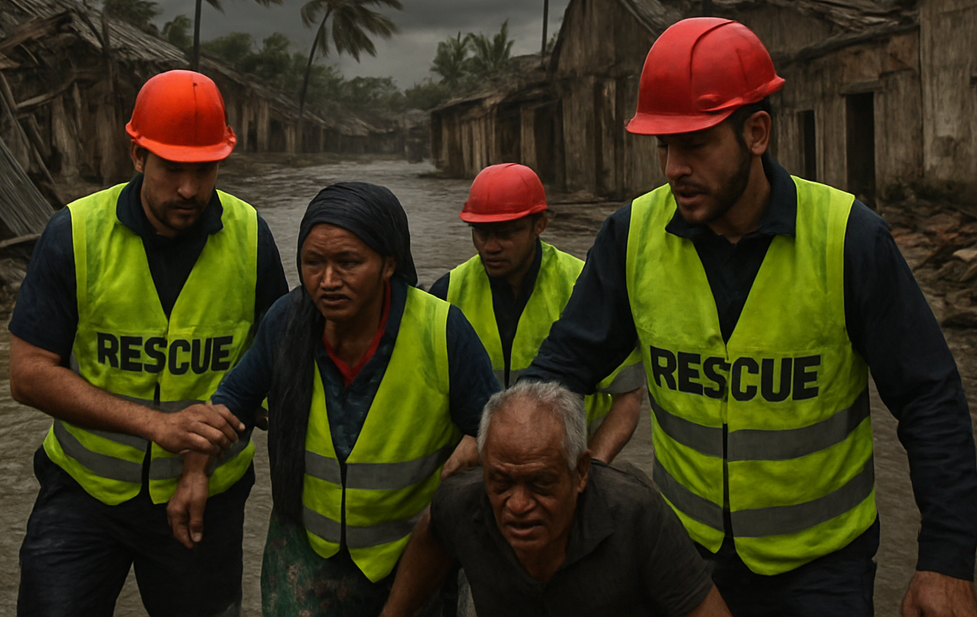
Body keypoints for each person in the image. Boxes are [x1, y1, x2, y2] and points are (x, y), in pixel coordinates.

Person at [527, 18, 977, 617]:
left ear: (757, 133)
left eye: (694, 144)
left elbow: (928, 397)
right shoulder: (630, 236)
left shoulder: (848, 238)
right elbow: (566, 365)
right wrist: (511, 458)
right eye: (663, 146)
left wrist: (945, 561)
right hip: (681, 557)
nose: (672, 168)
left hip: (822, 567)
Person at [7, 69, 288, 617]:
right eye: (171, 168)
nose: (188, 189)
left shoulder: (251, 239)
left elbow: (272, 366)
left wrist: (197, 465)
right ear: (137, 155)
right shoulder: (75, 232)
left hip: (207, 496)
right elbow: (28, 373)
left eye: (204, 169)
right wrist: (157, 425)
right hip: (83, 494)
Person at [193, 182, 500, 617]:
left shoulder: (442, 331)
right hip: (305, 553)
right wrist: (195, 471)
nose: (328, 281)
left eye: (348, 263)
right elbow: (231, 402)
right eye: (312, 263)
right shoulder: (286, 321)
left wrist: (477, 441)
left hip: (412, 552)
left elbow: (497, 428)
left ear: (389, 263)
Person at [378, 381, 731, 617]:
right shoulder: (463, 503)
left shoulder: (634, 514)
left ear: (580, 473)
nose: (517, 505)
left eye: (540, 484)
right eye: (501, 482)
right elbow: (433, 533)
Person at [430, 163, 645, 462]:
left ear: (540, 224)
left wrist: (592, 471)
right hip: (480, 470)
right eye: (480, 233)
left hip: (566, 469)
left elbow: (629, 395)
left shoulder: (583, 287)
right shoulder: (449, 292)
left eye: (506, 233)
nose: (490, 247)